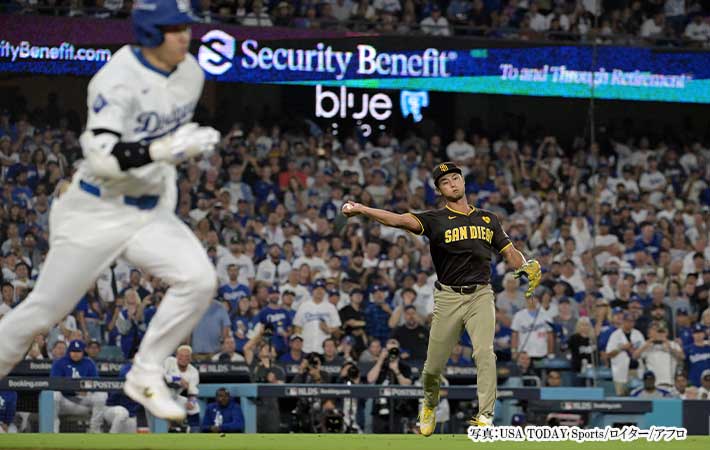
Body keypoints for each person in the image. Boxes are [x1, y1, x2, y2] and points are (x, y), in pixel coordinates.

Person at [0, 0, 220, 421]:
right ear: (151, 34)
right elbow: (102, 158)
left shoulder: (192, 72)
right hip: (95, 211)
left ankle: (146, 370)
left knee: (199, 279)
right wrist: (164, 148)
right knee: (41, 313)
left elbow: (162, 142)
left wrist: (173, 147)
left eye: (186, 27)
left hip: (148, 212)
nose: (185, 36)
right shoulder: (115, 79)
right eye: (174, 29)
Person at [343, 161, 541, 435]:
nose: (452, 183)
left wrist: (524, 264)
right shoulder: (434, 219)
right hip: (448, 297)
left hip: (481, 295)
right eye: (445, 181)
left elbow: (509, 251)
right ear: (439, 190)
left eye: (455, 178)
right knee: (433, 366)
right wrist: (363, 209)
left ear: (463, 181)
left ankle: (485, 417)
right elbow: (399, 219)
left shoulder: (488, 218)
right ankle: (429, 403)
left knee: (485, 353)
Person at [50, 340, 107, 433]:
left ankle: (94, 429)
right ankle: (53, 431)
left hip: (83, 401)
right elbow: (54, 383)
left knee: (101, 394)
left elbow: (96, 383)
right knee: (53, 395)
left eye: (78, 351)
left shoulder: (89, 363)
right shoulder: (59, 363)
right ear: (69, 351)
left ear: (83, 352)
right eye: (73, 351)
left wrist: (87, 390)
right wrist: (74, 390)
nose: (75, 354)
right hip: (65, 401)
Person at [164, 345, 201, 430]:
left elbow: (193, 390)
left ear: (190, 358)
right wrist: (178, 379)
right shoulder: (169, 361)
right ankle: (176, 428)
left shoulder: (193, 372)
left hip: (173, 397)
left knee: (194, 406)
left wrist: (191, 402)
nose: (183, 358)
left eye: (187, 356)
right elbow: (161, 377)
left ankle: (194, 431)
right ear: (176, 356)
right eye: (181, 356)